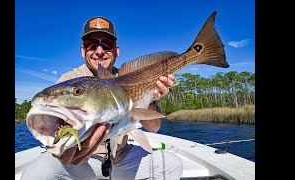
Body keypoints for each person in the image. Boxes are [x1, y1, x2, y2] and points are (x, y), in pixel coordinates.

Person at [21, 16, 183, 180]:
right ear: (83, 50)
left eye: (107, 44)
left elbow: (154, 128)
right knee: (35, 174)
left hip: (120, 156)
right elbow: (57, 126)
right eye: (91, 44)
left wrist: (151, 99)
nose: (99, 51)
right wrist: (62, 149)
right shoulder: (68, 81)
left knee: (171, 164)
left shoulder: (131, 78)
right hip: (83, 162)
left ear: (116, 50)